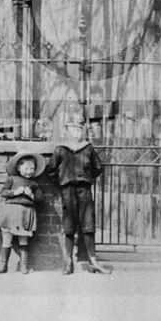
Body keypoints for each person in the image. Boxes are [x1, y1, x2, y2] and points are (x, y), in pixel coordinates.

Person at [50, 114, 111, 275]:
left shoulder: (88, 148)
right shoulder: (60, 149)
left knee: (88, 225)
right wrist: (62, 182)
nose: (76, 132)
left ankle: (93, 261)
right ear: (66, 130)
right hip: (68, 191)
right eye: (73, 129)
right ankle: (68, 262)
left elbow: (97, 167)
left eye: (79, 129)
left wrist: (87, 178)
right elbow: (51, 170)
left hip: (84, 190)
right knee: (69, 227)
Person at [0, 151, 46, 274]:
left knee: (24, 238)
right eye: (26, 168)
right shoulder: (12, 179)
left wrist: (31, 195)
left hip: (25, 213)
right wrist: (15, 193)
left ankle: (24, 265)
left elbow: (40, 199)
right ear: (18, 167)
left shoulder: (34, 184)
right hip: (10, 212)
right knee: (7, 237)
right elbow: (3, 192)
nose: (29, 171)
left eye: (32, 168)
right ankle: (3, 265)